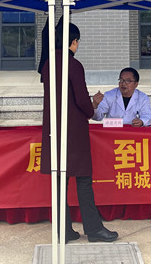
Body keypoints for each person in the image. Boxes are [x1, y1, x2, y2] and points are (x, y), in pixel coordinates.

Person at [41, 22, 118, 243]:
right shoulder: (73, 64)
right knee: (83, 180)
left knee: (60, 181)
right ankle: (94, 229)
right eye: (77, 41)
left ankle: (63, 230)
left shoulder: (48, 63)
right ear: (73, 41)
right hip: (73, 129)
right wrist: (92, 107)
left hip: (54, 128)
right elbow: (81, 100)